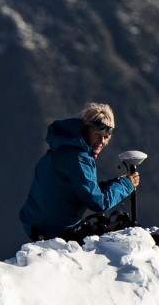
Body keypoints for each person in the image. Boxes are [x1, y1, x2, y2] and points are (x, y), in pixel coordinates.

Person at [19, 102, 141, 243]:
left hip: (35, 226)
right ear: (85, 130)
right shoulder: (78, 159)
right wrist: (127, 184)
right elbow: (98, 203)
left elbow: (80, 189)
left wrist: (116, 182)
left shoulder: (61, 149)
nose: (101, 141)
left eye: (106, 137)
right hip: (55, 231)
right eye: (97, 134)